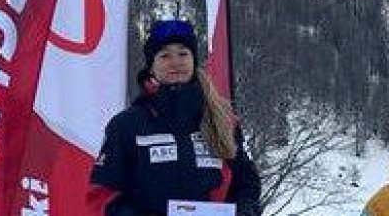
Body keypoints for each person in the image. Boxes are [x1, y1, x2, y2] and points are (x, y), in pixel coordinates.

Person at [88, 18, 261, 216]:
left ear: (194, 60)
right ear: (151, 66)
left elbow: (246, 183)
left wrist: (245, 210)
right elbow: (103, 195)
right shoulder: (126, 125)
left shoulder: (223, 120)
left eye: (183, 53)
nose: (176, 62)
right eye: (165, 56)